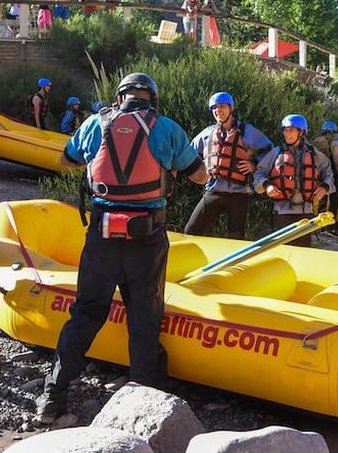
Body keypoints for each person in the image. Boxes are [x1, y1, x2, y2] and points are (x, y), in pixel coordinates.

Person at [35, 72, 208, 423]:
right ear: (151, 99)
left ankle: (53, 397)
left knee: (85, 314)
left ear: (120, 98)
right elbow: (200, 175)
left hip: (102, 235)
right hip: (147, 237)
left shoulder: (95, 123)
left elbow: (67, 159)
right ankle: (145, 404)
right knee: (144, 317)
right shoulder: (166, 127)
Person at [184, 92, 273, 239]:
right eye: (215, 108)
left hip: (239, 193)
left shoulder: (247, 132)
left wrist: (254, 164)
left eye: (222, 106)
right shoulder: (207, 133)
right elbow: (190, 153)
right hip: (214, 190)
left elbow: (269, 150)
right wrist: (199, 169)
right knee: (191, 230)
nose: (218, 111)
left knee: (236, 237)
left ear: (231, 108)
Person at [252, 114, 334, 247]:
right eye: (285, 129)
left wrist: (324, 188)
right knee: (284, 249)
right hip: (282, 210)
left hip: (305, 211)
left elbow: (329, 174)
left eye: (291, 129)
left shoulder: (315, 155)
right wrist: (266, 186)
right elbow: (258, 173)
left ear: (301, 132)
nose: (287, 133)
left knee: (303, 250)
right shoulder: (276, 153)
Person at [312, 120, 338, 217]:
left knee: (322, 197)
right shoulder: (334, 143)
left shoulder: (316, 141)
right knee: (334, 199)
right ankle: (330, 225)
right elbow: (337, 160)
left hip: (319, 171)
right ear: (333, 132)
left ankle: (319, 225)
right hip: (331, 171)